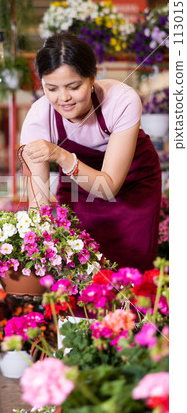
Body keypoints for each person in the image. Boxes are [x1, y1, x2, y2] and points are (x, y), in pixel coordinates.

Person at [20, 33, 162, 271]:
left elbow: (108, 187)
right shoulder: (38, 118)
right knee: (77, 267)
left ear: (92, 77)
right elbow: (39, 208)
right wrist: (34, 260)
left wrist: (61, 155)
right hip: (78, 189)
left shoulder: (121, 100)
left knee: (131, 269)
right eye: (51, 88)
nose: (63, 98)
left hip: (133, 184)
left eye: (74, 87)